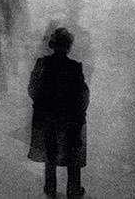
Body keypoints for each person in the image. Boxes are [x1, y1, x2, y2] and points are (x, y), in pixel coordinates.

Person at [27, 27, 88, 198]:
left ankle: (50, 187)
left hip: (47, 116)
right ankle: (73, 189)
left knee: (50, 153)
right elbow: (82, 96)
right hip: (69, 117)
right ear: (69, 46)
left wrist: (40, 104)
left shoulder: (42, 64)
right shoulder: (75, 68)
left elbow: (33, 88)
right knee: (72, 153)